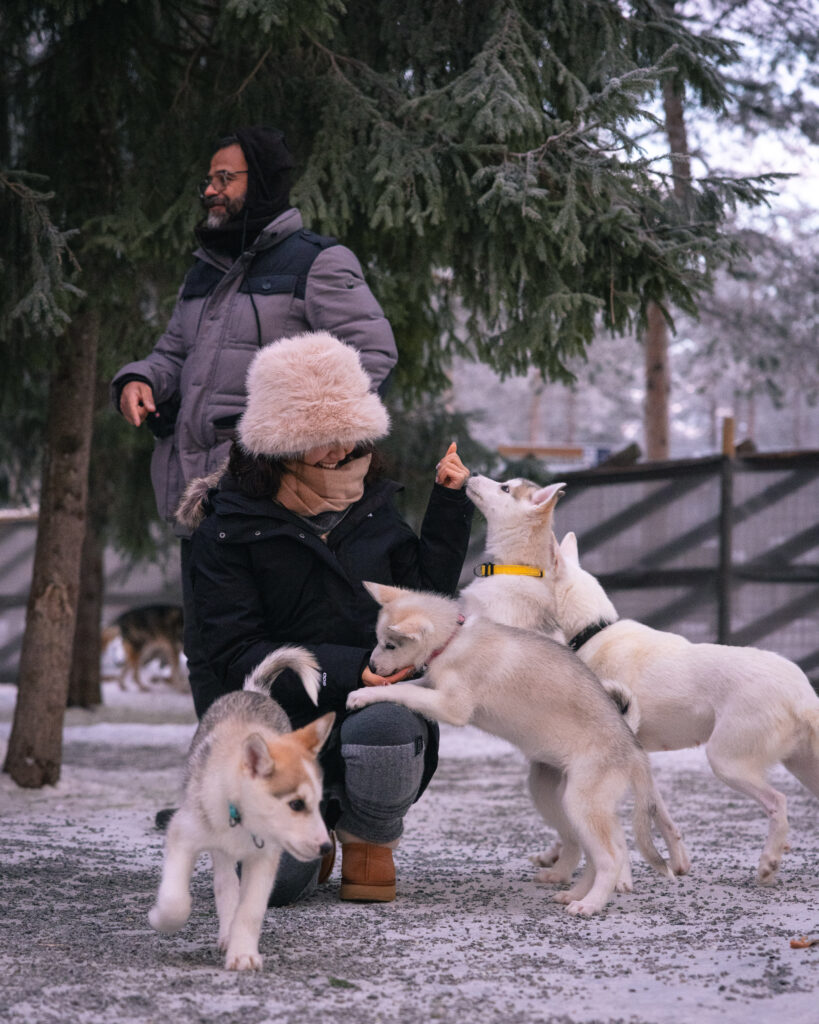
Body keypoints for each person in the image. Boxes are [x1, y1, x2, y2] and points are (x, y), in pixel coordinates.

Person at [176, 331, 473, 903]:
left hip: (372, 700)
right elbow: (234, 651)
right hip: (278, 718)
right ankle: (309, 835)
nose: (339, 452)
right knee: (276, 891)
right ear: (277, 444)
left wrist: (448, 505)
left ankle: (368, 838)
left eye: (348, 435)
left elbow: (423, 601)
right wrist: (349, 667)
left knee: (387, 727)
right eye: (319, 439)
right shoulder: (228, 528)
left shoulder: (373, 504)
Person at [111, 125, 397, 700]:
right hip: (195, 492)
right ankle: (220, 784)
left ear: (260, 182)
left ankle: (295, 780)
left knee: (272, 647)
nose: (212, 190)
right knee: (206, 649)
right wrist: (141, 378)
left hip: (273, 494)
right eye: (208, 180)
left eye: (226, 178)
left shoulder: (316, 261)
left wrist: (296, 433)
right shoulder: (205, 271)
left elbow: (372, 354)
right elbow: (173, 353)